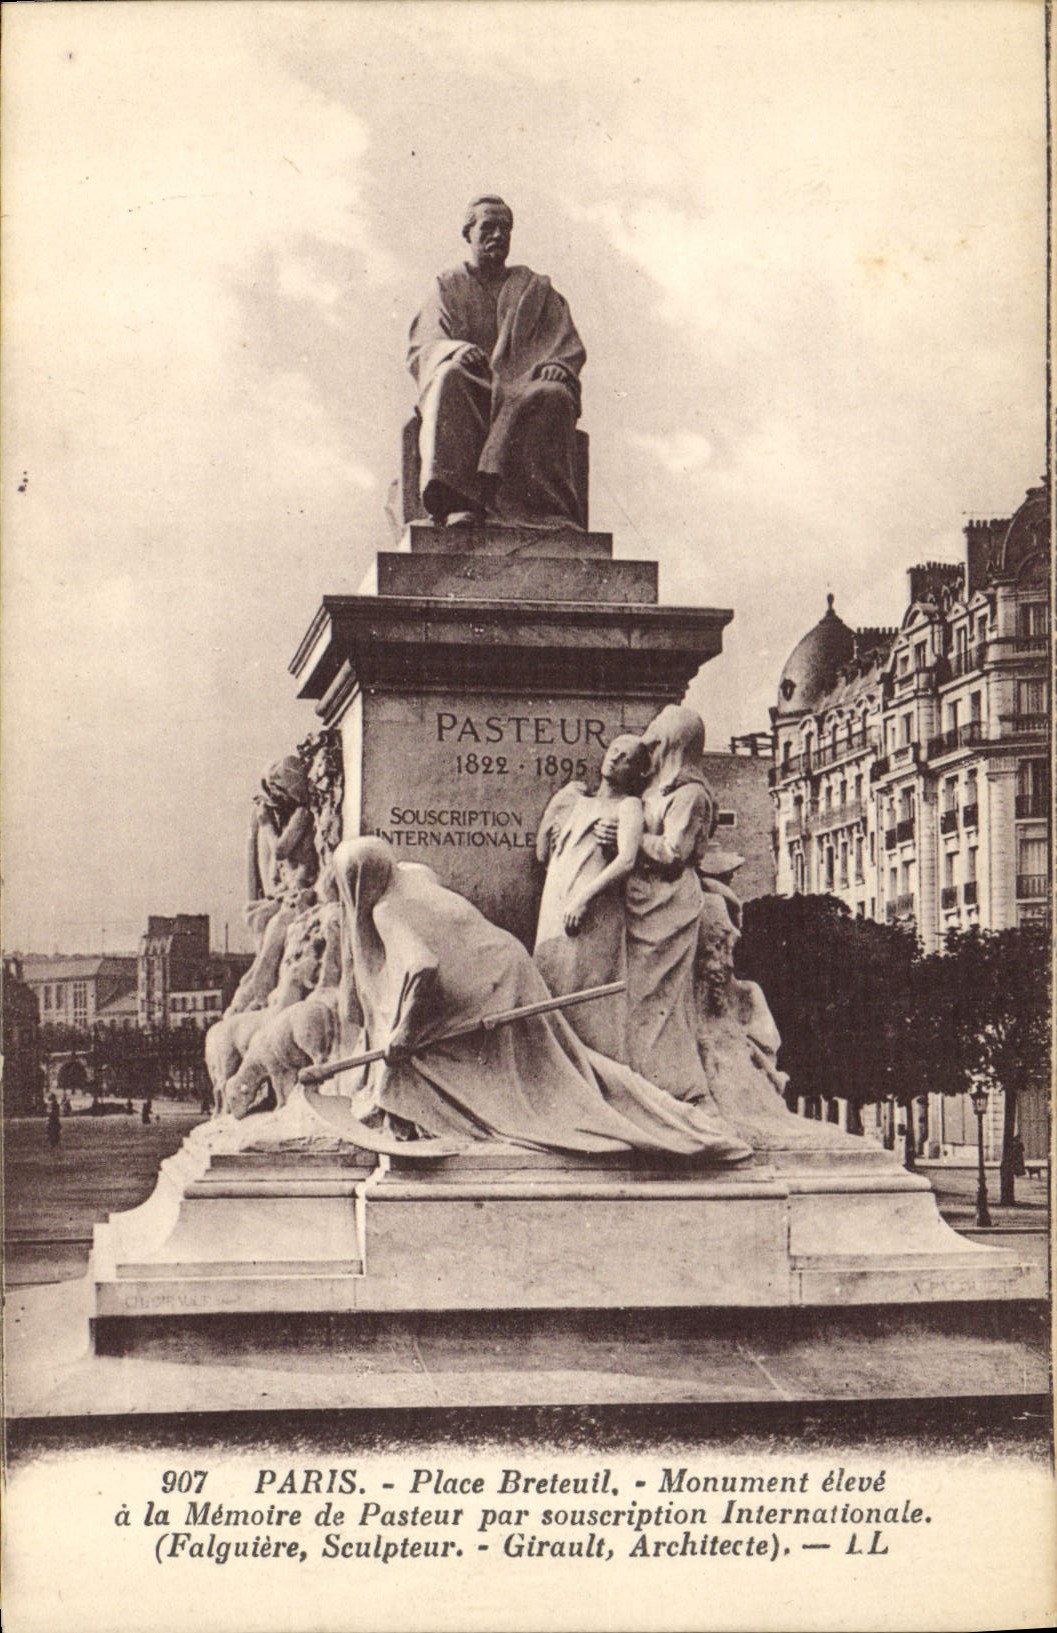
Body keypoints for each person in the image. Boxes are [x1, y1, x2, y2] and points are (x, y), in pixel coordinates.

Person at [331, 837, 750, 1161]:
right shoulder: (413, 872)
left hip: (484, 990)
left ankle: (402, 1114)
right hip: (505, 961)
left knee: (417, 1054)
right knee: (564, 1064)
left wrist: (402, 1033)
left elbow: (422, 967)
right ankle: (664, 1112)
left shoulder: (384, 911)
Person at [408, 196, 586, 528]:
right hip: (473, 383)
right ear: (468, 233)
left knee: (555, 395)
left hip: (523, 384)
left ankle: (542, 510)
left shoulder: (535, 288)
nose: (498, 235)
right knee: (449, 376)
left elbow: (564, 344)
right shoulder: (447, 285)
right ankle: (459, 503)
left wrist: (558, 365)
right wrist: (455, 350)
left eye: (505, 228)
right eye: (488, 226)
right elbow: (425, 344)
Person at [594, 705, 718, 1102]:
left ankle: (670, 1091)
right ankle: (643, 1086)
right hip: (644, 902)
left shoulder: (690, 795)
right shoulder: (654, 790)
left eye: (655, 744)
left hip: (669, 906)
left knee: (659, 1001)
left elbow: (673, 851)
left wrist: (625, 840)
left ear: (672, 747)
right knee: (638, 1001)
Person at [533, 735, 652, 1054]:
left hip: (591, 914)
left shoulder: (628, 806)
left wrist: (584, 898)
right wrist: (555, 810)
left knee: (585, 1002)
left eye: (626, 757)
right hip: (556, 905)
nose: (615, 758)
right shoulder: (577, 801)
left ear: (637, 771)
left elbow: (627, 859)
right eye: (614, 750)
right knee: (549, 988)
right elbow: (543, 854)